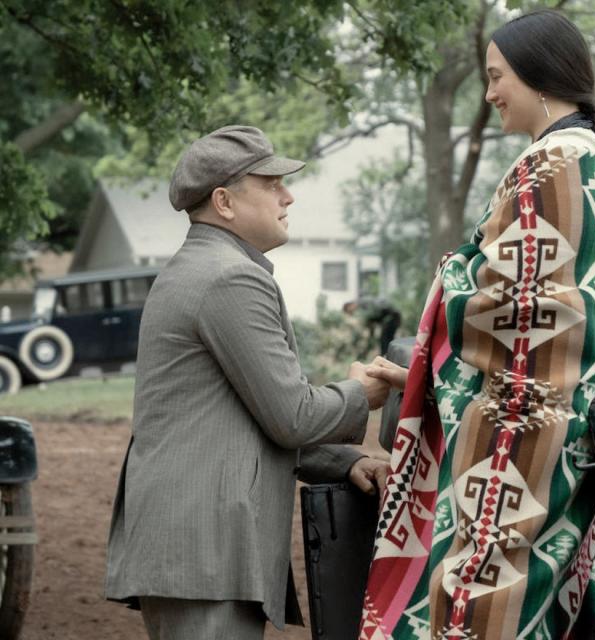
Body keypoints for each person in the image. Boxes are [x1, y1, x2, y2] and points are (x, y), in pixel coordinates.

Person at [360, 11, 595, 639]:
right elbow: (571, 308)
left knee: (479, 595)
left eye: (496, 76)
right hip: (565, 420)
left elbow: (509, 308)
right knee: (540, 584)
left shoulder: (549, 161)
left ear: (538, 78)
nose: (488, 94)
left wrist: (453, 271)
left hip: (518, 430)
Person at [103, 125, 405, 640]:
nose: (287, 196)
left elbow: (252, 416)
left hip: (193, 550)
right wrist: (363, 393)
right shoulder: (229, 278)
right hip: (205, 551)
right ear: (223, 201)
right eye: (270, 184)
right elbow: (291, 415)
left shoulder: (201, 268)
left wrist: (347, 461)